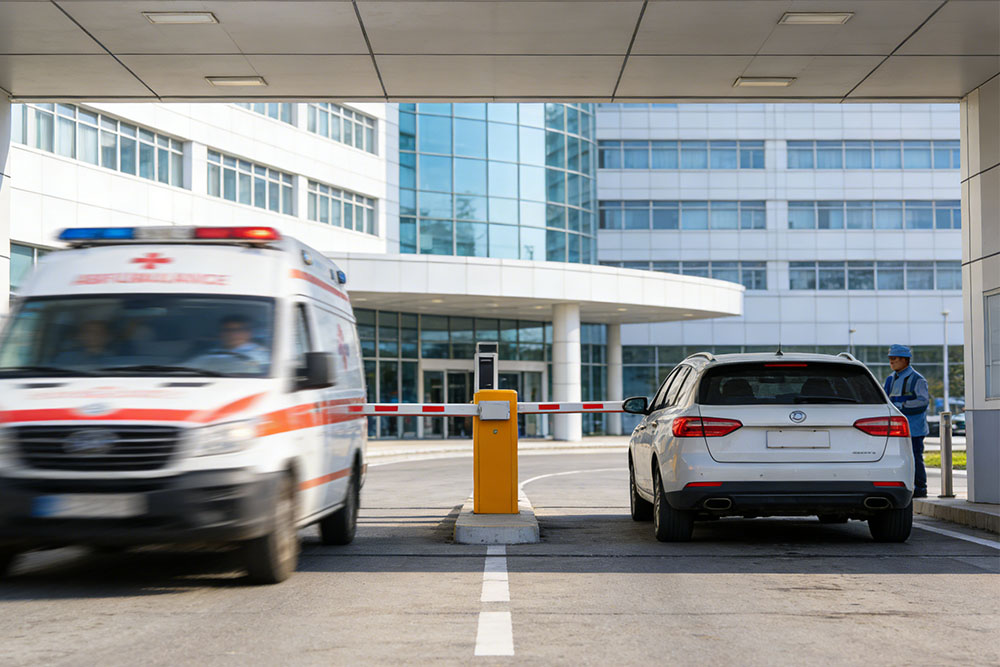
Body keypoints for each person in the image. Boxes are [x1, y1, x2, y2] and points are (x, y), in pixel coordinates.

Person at [883, 344, 930, 498]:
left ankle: (920, 489)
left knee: (915, 457)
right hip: (896, 429)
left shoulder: (917, 379)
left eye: (894, 359)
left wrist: (901, 406)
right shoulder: (890, 379)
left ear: (905, 360)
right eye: (890, 359)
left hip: (914, 429)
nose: (891, 362)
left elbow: (922, 402)